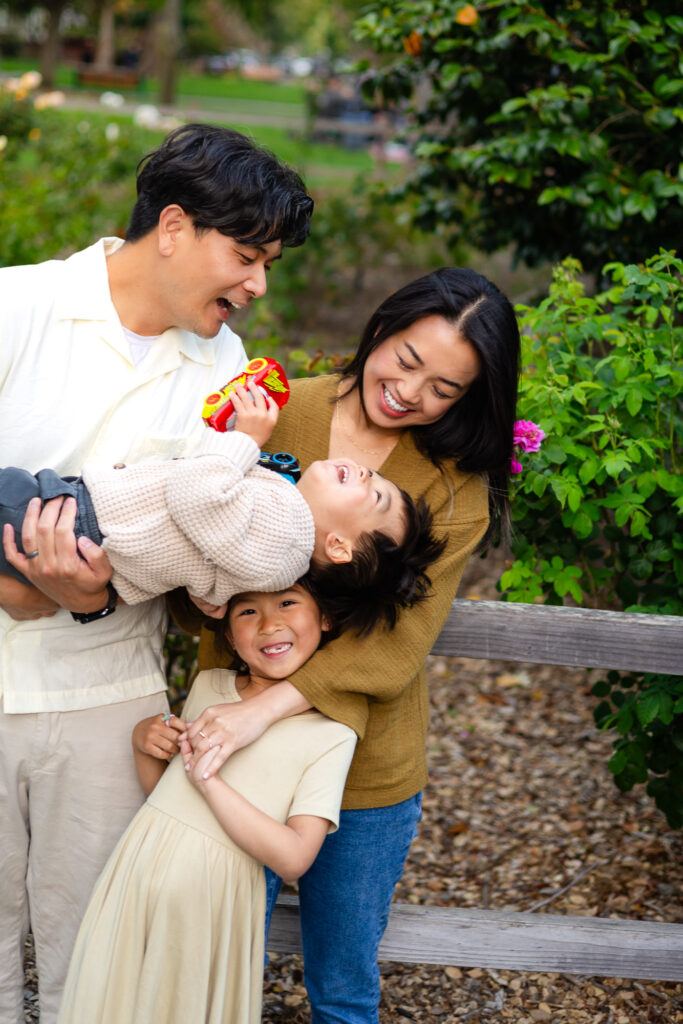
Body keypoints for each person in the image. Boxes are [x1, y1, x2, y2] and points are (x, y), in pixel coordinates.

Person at [0, 122, 314, 1024]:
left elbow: (210, 560)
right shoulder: (18, 309)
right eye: (246, 256)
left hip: (108, 707)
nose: (257, 285)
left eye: (268, 264)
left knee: (94, 962)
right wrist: (32, 593)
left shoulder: (229, 380)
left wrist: (91, 600)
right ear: (172, 226)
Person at [179, 267, 521, 1024]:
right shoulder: (272, 410)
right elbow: (190, 545)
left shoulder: (450, 487)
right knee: (213, 959)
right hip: (229, 751)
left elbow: (397, 648)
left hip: (364, 766)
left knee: (341, 984)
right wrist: (199, 598)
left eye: (443, 388)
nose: (409, 393)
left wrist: (258, 714)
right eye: (404, 359)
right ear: (380, 328)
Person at [56, 581, 358, 1024]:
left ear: (325, 619)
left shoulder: (332, 735)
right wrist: (144, 742)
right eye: (247, 612)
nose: (270, 623)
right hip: (139, 874)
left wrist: (210, 782)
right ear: (230, 636)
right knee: (120, 1003)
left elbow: (294, 858)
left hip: (214, 900)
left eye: (288, 603)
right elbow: (165, 799)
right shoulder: (210, 686)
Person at [1, 378, 433, 615]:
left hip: (81, 524)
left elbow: (194, 495)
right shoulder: (278, 546)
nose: (364, 472)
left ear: (339, 546)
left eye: (374, 495)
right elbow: (210, 588)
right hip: (88, 529)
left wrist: (246, 438)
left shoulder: (285, 533)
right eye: (374, 474)